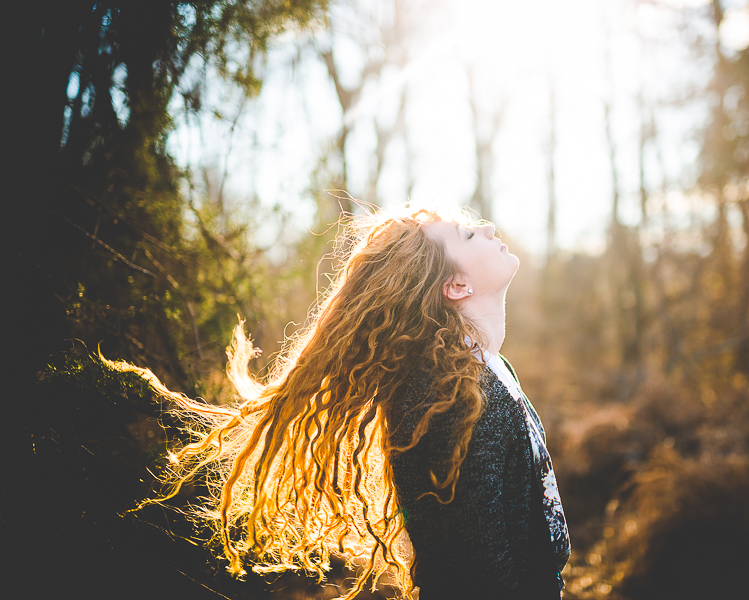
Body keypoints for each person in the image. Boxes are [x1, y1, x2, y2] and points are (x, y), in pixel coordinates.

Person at [108, 205, 569, 599]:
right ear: (456, 287)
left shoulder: (487, 371)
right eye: (468, 235)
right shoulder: (453, 396)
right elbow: (481, 566)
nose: (487, 228)